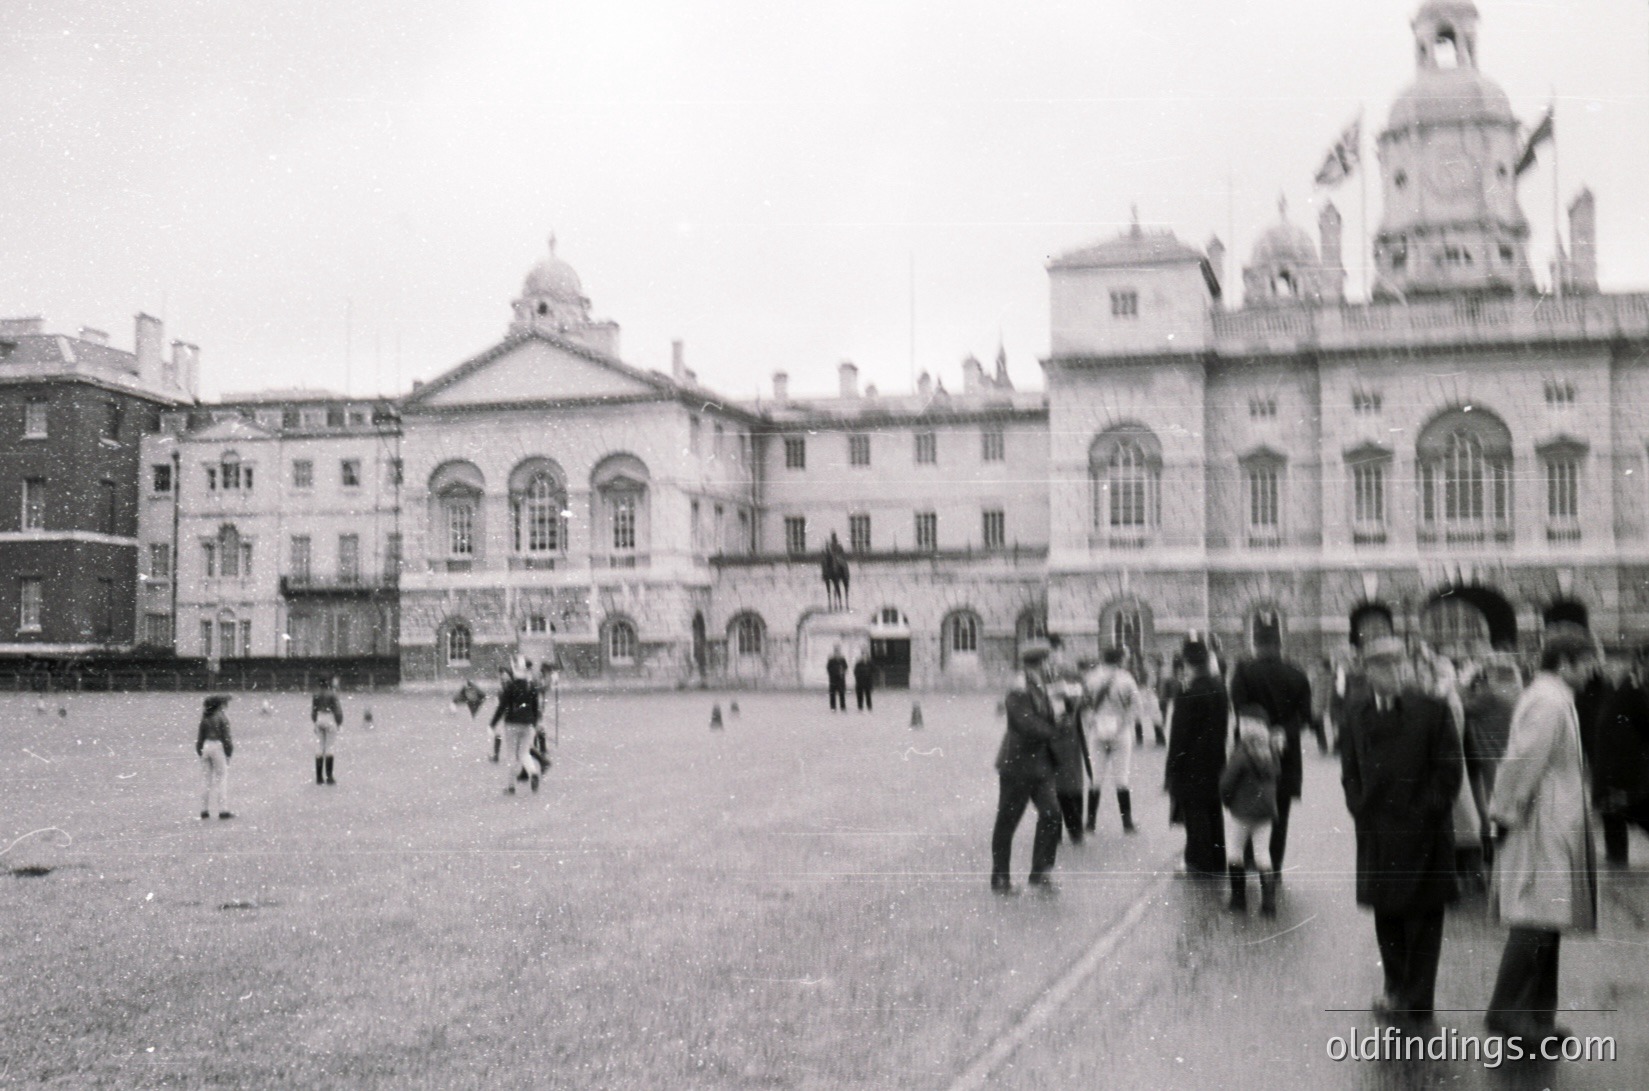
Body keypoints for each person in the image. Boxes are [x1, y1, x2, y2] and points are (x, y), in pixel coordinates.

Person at [1484, 625, 1600, 1046]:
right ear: (1564, 663)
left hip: (1553, 819)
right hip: (1541, 823)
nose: (1593, 670)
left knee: (1549, 918)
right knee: (1537, 916)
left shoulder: (1553, 696)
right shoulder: (1549, 701)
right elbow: (1521, 762)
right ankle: (1505, 1009)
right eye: (1587, 663)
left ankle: (1536, 1017)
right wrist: (1504, 813)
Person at [1339, 635, 1462, 1027]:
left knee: (1424, 919)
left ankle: (1418, 999)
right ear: (1368, 672)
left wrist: (1423, 813)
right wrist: (1359, 807)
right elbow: (1350, 771)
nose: (1393, 673)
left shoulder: (1432, 710)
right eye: (1383, 667)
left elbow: (1449, 774)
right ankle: (1395, 990)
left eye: (1398, 665)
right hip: (1377, 831)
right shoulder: (1355, 712)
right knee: (1387, 915)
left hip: (1423, 834)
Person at [1227, 627, 1312, 875]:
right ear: (1280, 644)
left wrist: (1259, 733)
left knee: (1245, 806)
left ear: (1255, 644)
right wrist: (1282, 731)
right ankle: (1272, 868)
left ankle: (1246, 861)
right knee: (1279, 811)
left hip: (1249, 753)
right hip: (1285, 753)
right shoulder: (1297, 674)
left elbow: (1240, 709)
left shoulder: (1243, 672)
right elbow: (1306, 717)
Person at [990, 641, 1063, 895]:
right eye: (1050, 660)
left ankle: (1041, 873)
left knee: (1052, 813)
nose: (1054, 664)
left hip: (1040, 764)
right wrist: (1055, 730)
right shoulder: (1019, 687)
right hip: (1018, 764)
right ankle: (1000, 878)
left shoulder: (1040, 684)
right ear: (1041, 663)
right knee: (1008, 821)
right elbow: (1025, 723)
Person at [1166, 636, 1228, 875]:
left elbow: (1179, 735)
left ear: (1187, 662)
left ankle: (1198, 861)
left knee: (1195, 812)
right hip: (1215, 759)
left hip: (1191, 762)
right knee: (1213, 809)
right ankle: (1217, 859)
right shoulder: (1219, 688)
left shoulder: (1188, 691)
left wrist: (1172, 767)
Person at [1220, 706, 1281, 916]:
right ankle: (1269, 904)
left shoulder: (1241, 753)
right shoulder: (1271, 751)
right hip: (1265, 812)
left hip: (1242, 812)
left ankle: (1238, 900)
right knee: (1262, 854)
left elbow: (1226, 783)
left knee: (1235, 852)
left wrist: (1227, 802)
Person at [1591, 646, 1649, 864]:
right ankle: (1617, 864)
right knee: (1617, 816)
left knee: (1627, 816)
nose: (1606, 667)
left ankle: (1617, 865)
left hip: (1621, 772)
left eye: (1611, 662)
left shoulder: (1631, 688)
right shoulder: (1620, 689)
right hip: (1616, 772)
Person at [1462, 654, 1520, 863]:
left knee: (1488, 801)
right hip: (1503, 751)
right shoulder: (1514, 690)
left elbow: (1463, 706)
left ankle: (1492, 850)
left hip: (1488, 753)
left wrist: (1466, 679)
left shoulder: (1490, 693)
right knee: (1500, 798)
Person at [1082, 647, 1141, 834]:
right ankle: (1127, 823)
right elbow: (1136, 707)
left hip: (1097, 730)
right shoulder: (1127, 679)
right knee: (1122, 778)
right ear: (1120, 660)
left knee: (1095, 778)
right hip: (1120, 731)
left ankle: (1090, 823)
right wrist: (1123, 723)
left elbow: (1083, 706)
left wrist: (1091, 721)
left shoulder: (1091, 677)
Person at [491, 658, 543, 795]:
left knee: (512, 756)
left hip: (512, 723)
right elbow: (536, 708)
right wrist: (535, 723)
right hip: (527, 724)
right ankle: (533, 772)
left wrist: (493, 723)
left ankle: (510, 786)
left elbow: (502, 707)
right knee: (524, 753)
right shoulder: (531, 687)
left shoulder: (511, 688)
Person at [196, 694, 235, 820]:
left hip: (206, 746)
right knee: (221, 779)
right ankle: (223, 810)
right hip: (218, 746)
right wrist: (228, 753)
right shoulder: (222, 717)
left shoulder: (205, 717)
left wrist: (200, 751)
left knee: (206, 780)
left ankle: (204, 810)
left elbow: (200, 739)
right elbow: (227, 738)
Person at [311, 675, 344, 785]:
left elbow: (313, 710)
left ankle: (319, 777)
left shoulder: (315, 694)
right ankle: (329, 776)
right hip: (329, 718)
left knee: (320, 747)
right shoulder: (332, 694)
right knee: (330, 747)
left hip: (320, 717)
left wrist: (315, 721)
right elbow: (337, 710)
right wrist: (339, 722)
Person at [826, 645, 849, 712]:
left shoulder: (842, 658)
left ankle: (843, 707)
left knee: (842, 693)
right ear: (834, 650)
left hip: (841, 679)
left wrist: (843, 672)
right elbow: (828, 667)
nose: (837, 651)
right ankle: (833, 707)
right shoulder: (831, 659)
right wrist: (832, 673)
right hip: (833, 679)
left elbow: (846, 667)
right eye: (836, 650)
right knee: (832, 693)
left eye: (838, 650)